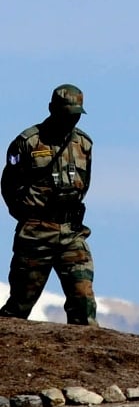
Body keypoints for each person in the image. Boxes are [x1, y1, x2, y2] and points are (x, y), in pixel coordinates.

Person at [0, 84, 97, 325]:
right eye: (67, 114)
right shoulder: (28, 143)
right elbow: (9, 185)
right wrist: (28, 215)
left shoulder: (83, 144)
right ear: (52, 109)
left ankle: (84, 359)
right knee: (19, 308)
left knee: (83, 303)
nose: (71, 120)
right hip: (36, 234)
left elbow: (84, 184)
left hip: (71, 233)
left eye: (75, 114)